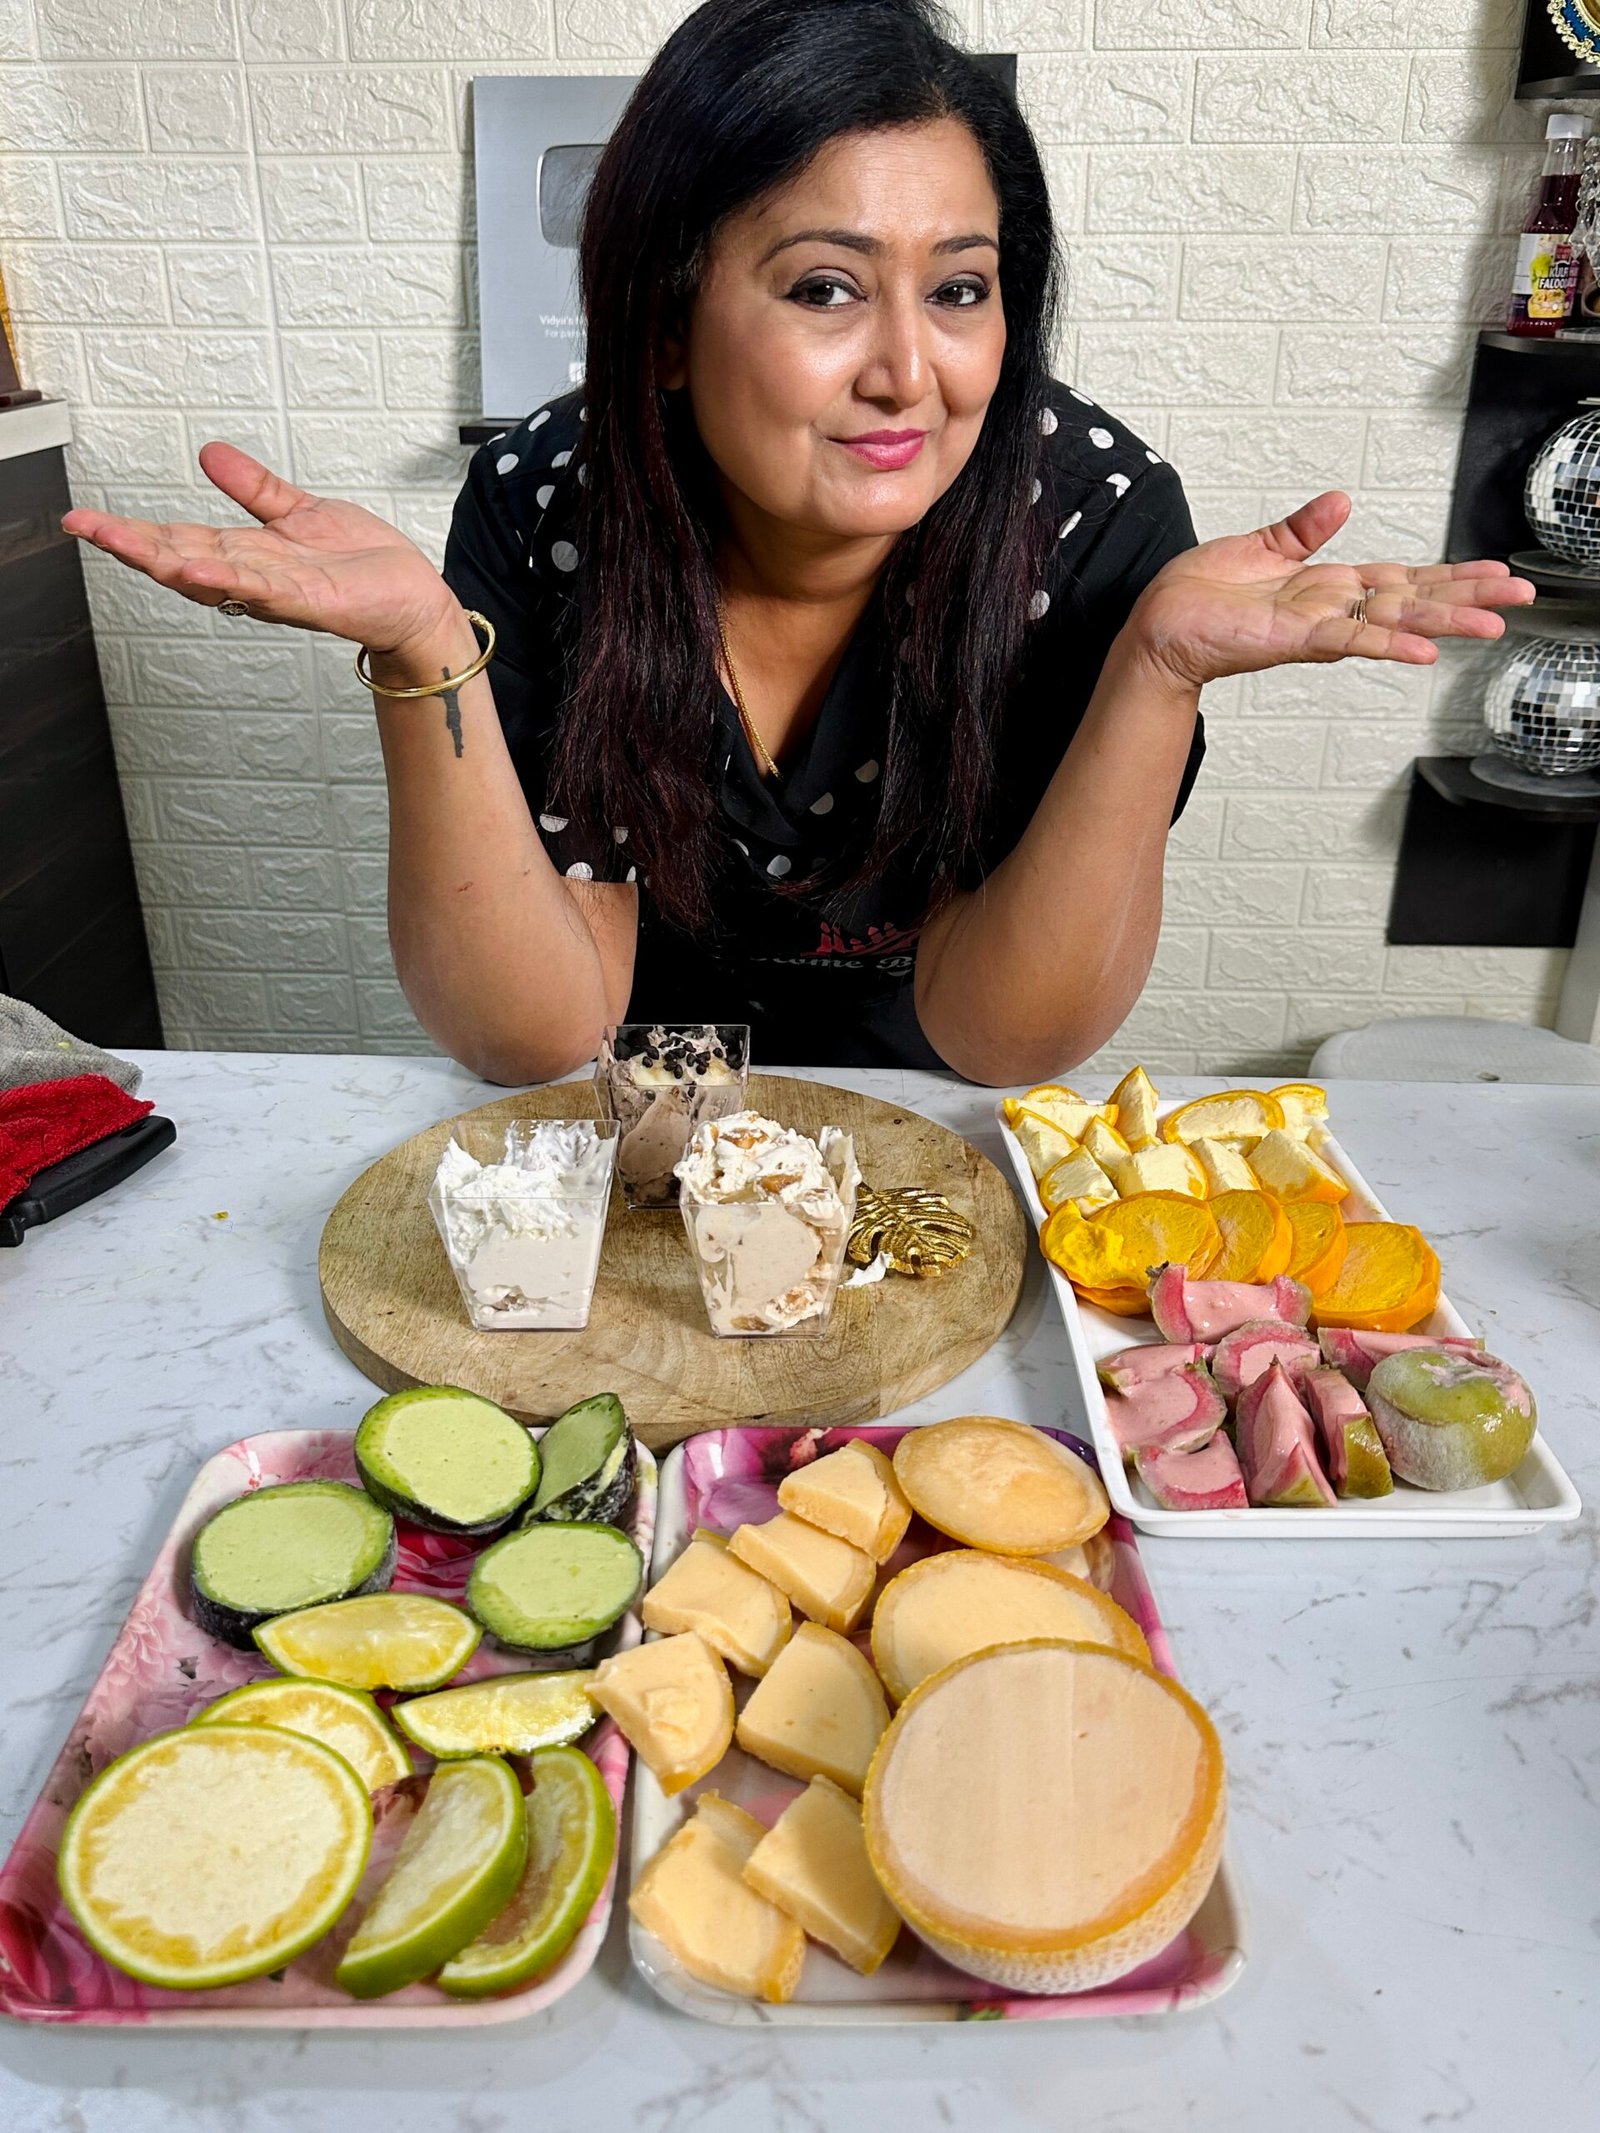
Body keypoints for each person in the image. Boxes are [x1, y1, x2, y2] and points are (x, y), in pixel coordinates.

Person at [63, 0, 1532, 1083]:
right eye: (827, 288)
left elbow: (1005, 1036)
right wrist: (422, 656)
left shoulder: (1086, 516)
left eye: (959, 290)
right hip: (642, 1091)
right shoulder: (551, 500)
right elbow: (532, 1032)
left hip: (934, 1091)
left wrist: (1157, 669)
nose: (910, 372)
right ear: (666, 324)